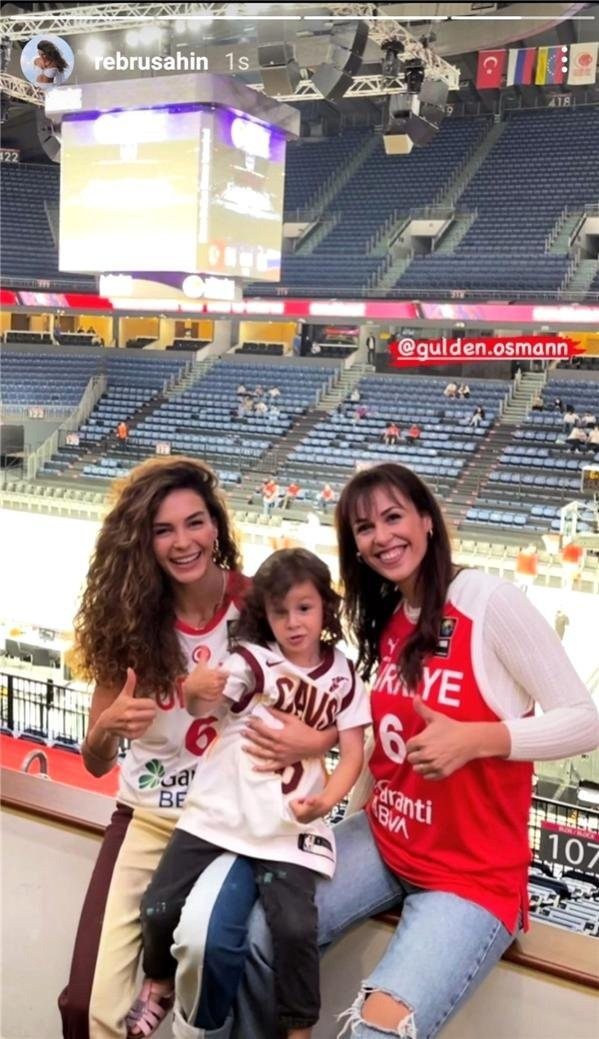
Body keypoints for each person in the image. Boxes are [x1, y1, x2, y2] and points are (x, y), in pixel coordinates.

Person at [222, 461, 598, 1039]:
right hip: (385, 837)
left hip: (470, 875)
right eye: (364, 528)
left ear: (427, 520)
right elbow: (385, 746)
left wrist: (479, 738)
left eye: (393, 517)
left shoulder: (488, 602)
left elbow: (584, 720)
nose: (381, 536)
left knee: (376, 1032)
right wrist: (342, 825)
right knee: (260, 937)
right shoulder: (392, 615)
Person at [129, 549, 370, 1039]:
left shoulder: (345, 676)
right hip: (219, 810)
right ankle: (159, 980)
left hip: (286, 822)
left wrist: (327, 802)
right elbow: (203, 707)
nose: (293, 622)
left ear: (325, 607)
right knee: (159, 906)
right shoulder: (253, 660)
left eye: (304, 608)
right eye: (281, 612)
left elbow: (352, 754)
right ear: (265, 614)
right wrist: (195, 690)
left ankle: (299, 1028)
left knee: (296, 928)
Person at [58, 457, 254, 1039]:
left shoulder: (257, 605)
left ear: (216, 525)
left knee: (203, 964)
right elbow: (95, 761)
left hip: (229, 826)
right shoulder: (129, 619)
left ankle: (164, 985)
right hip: (146, 820)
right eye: (163, 530)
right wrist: (107, 728)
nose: (183, 542)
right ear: (143, 541)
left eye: (195, 522)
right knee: (87, 1009)